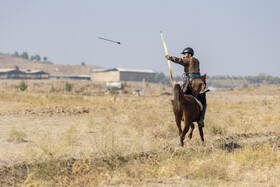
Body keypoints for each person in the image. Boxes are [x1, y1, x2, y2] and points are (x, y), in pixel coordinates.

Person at [165, 47, 207, 128]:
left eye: (184, 54)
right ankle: (201, 119)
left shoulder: (190, 59)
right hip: (198, 83)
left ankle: (179, 115)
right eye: (183, 54)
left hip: (191, 83)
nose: (184, 56)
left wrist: (171, 58)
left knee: (179, 98)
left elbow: (181, 61)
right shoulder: (196, 60)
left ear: (189, 54)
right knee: (203, 102)